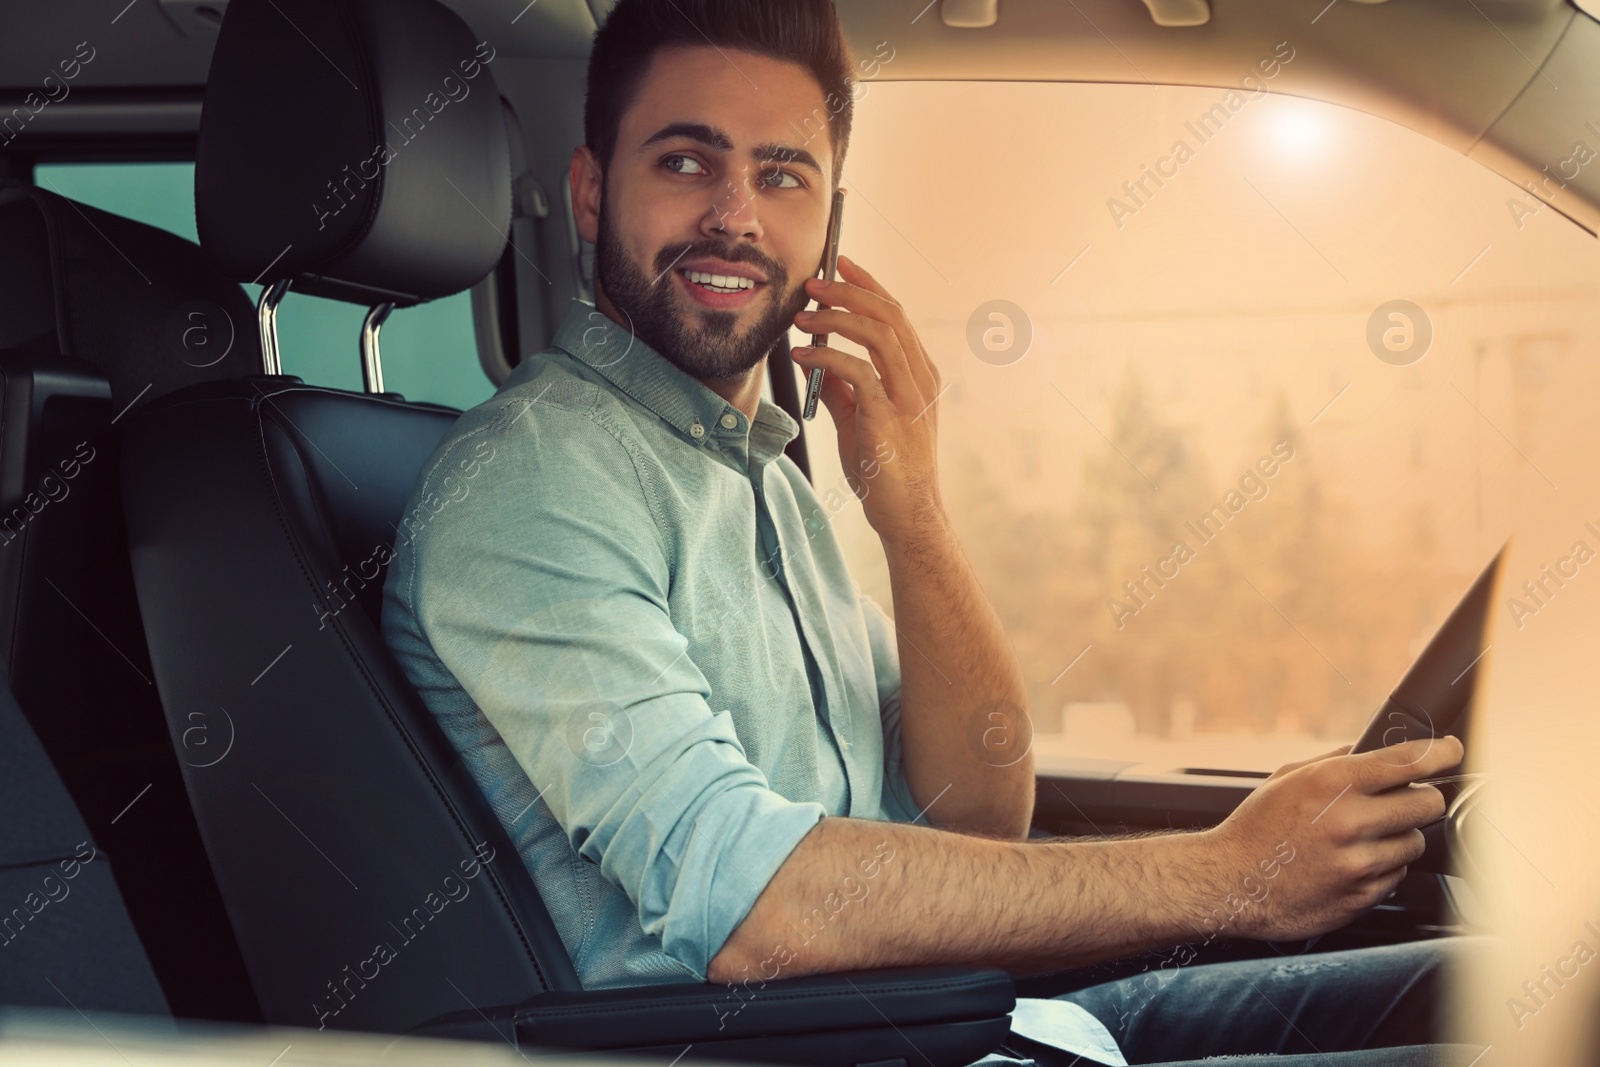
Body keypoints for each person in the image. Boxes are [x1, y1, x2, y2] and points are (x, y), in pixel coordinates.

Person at [380, 1, 1484, 1062]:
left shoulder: (759, 472)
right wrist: (1229, 872)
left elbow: (979, 804)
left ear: (830, 223)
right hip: (808, 1050)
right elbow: (750, 908)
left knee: (1508, 983)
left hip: (981, 1028)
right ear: (588, 192)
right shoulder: (535, 481)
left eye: (782, 173)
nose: (735, 214)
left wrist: (910, 509)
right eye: (684, 161)